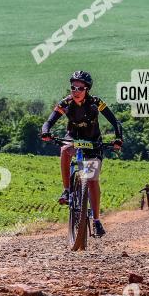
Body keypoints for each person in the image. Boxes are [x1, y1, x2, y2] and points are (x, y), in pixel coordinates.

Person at [40, 70, 123, 238]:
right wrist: (46, 131)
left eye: (80, 88)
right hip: (73, 137)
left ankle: (97, 220)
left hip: (93, 141)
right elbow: (49, 121)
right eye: (73, 88)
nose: (75, 91)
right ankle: (66, 190)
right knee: (64, 150)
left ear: (87, 89)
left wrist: (118, 139)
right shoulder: (66, 102)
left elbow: (115, 121)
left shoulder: (96, 103)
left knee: (92, 180)